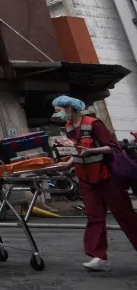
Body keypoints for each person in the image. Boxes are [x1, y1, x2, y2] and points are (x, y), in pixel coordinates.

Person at [52, 95, 137, 271]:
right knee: (94, 216)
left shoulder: (93, 123)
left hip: (107, 177)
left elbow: (112, 148)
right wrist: (67, 163)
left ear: (70, 108)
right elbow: (77, 151)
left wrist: (91, 151)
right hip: (86, 179)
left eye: (58, 110)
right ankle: (98, 257)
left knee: (125, 215)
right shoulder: (68, 127)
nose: (57, 114)